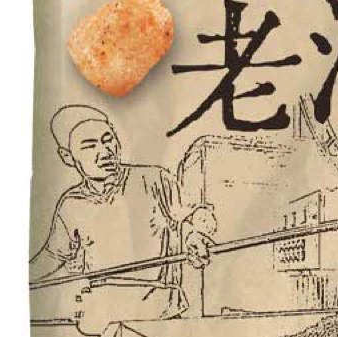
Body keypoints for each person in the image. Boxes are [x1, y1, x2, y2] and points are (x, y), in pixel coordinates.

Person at [30, 105, 216, 325]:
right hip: (102, 316)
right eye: (89, 146)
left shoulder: (154, 178)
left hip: (159, 312)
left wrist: (195, 237)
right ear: (68, 156)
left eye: (108, 140)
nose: (104, 152)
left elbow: (195, 215)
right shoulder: (71, 203)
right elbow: (52, 256)